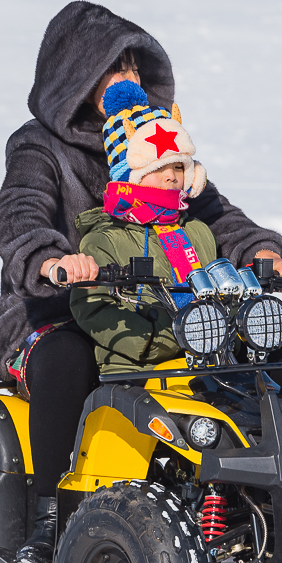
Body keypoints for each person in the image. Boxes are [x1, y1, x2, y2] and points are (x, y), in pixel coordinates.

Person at [0, 2, 282, 563]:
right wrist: (53, 259)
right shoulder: (38, 146)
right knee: (66, 358)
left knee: (270, 340)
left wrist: (260, 252)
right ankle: (50, 519)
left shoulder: (154, 140)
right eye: (113, 70)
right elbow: (21, 214)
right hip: (56, 309)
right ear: (75, 77)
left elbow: (215, 214)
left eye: (134, 69)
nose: (128, 81)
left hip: (161, 307)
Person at [69, 79, 216, 373]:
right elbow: (91, 305)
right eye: (158, 168)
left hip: (207, 361)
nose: (171, 177)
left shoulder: (197, 230)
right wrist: (153, 340)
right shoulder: (104, 238)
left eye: (178, 167)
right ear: (130, 175)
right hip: (134, 369)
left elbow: (216, 291)